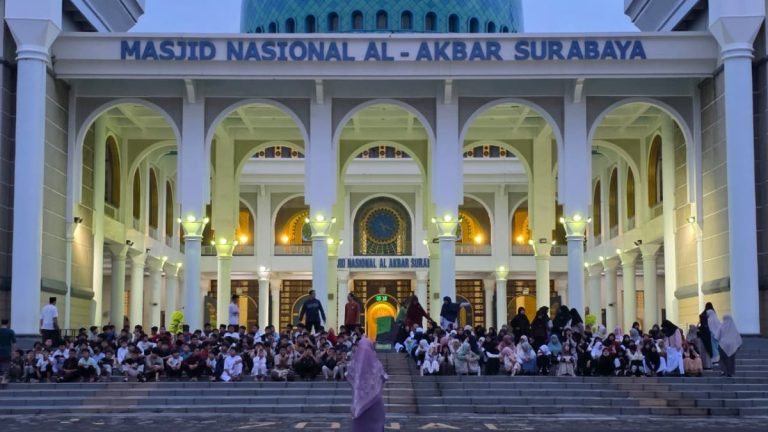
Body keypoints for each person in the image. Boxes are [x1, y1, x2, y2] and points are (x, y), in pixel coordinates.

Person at [348, 337, 387, 432]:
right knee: (375, 424)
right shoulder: (376, 363)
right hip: (375, 399)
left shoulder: (353, 363)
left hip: (359, 401)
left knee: (361, 425)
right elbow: (384, 377)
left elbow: (349, 375)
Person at [0, 319, 16, 384]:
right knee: (6, 366)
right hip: (7, 351)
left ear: (1, 323)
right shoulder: (10, 331)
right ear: (8, 323)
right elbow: (14, 343)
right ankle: (3, 379)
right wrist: (13, 352)